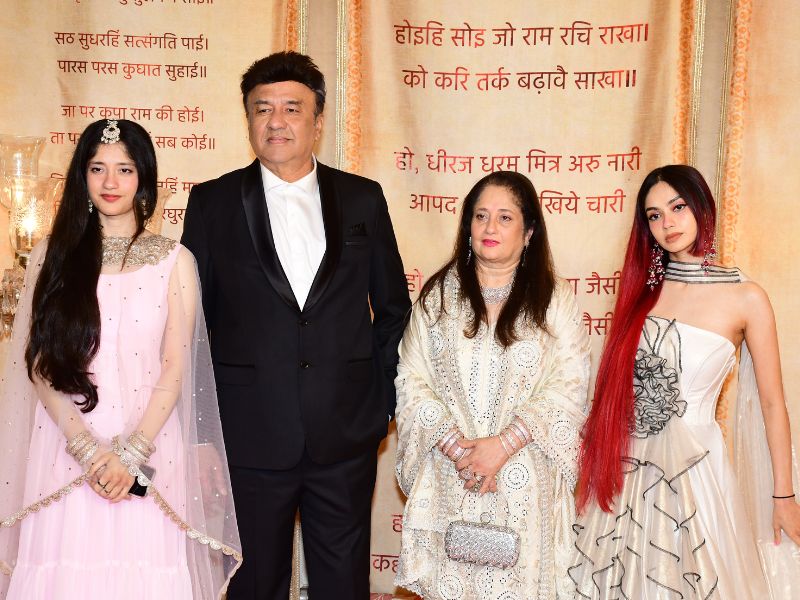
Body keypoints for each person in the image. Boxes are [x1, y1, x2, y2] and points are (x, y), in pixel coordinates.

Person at [181, 51, 410, 599]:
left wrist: (381, 400)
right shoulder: (211, 202)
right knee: (254, 583)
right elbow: (190, 327)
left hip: (345, 432)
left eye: (291, 108)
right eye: (263, 109)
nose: (276, 121)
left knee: (343, 583)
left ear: (318, 120)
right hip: (247, 433)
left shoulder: (363, 199)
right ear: (248, 119)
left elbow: (394, 309)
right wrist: (202, 434)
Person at [0, 119, 241, 599]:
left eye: (125, 169)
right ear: (82, 176)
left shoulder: (175, 261)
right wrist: (87, 450)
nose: (111, 182)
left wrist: (131, 455)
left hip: (150, 451)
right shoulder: (53, 256)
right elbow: (40, 364)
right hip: (65, 450)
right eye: (98, 168)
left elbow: (175, 369)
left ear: (144, 178)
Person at [572, 164, 800, 598]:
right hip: (627, 471)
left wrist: (783, 497)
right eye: (654, 215)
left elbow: (772, 404)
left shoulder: (746, 297)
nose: (668, 223)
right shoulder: (640, 293)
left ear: (701, 208)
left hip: (698, 472)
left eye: (677, 208)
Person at [394, 171, 590, 599]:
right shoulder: (438, 298)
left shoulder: (553, 300)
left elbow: (570, 384)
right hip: (452, 475)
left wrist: (503, 445)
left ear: (529, 232)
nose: (490, 227)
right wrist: (459, 450)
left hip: (523, 478)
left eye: (505, 217)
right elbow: (411, 379)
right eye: (480, 216)